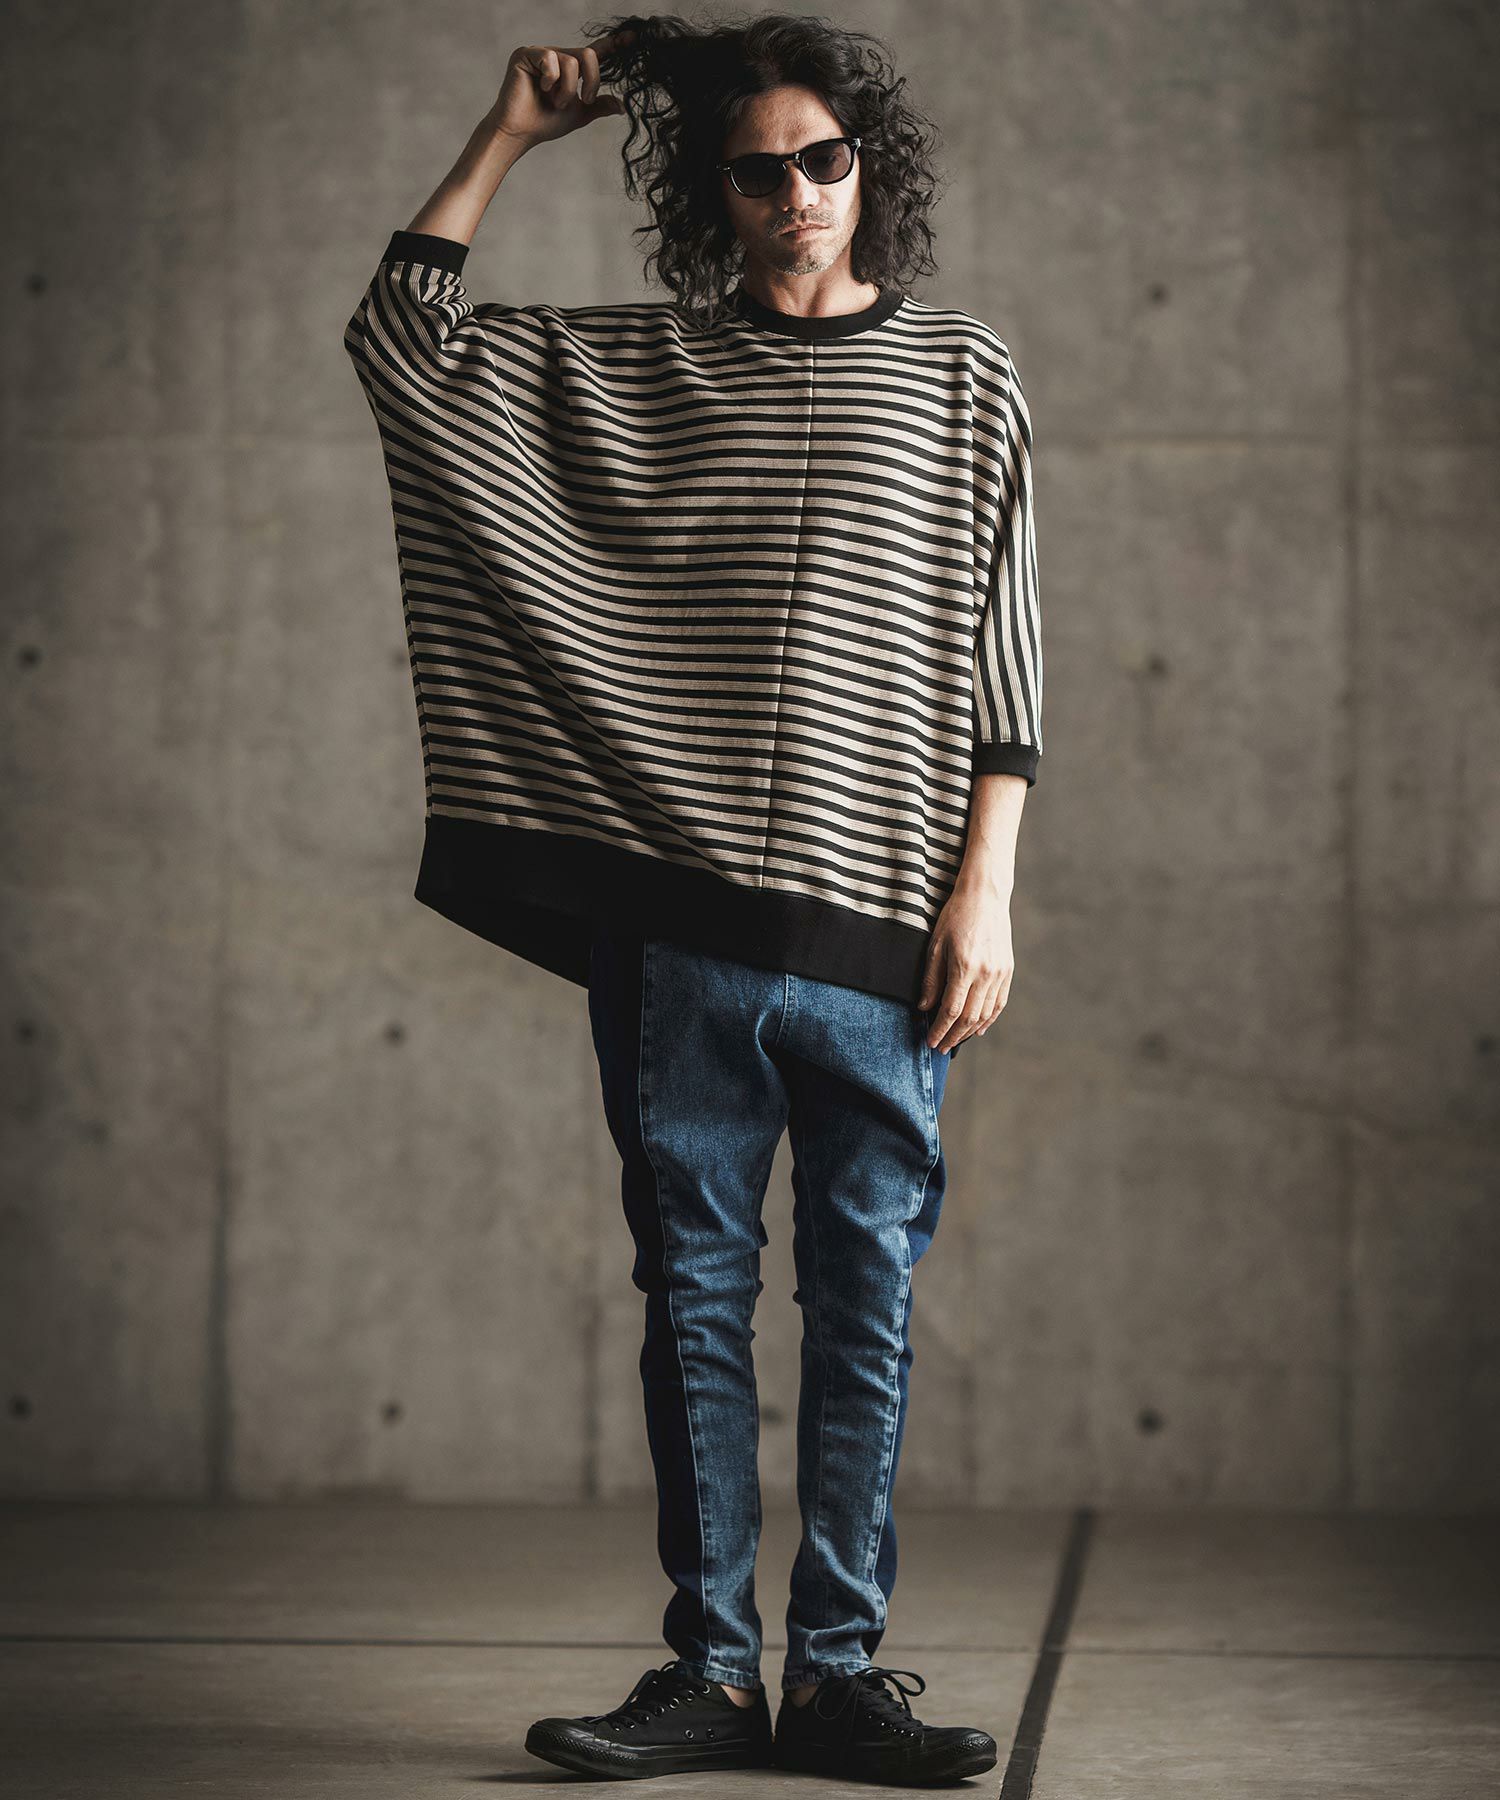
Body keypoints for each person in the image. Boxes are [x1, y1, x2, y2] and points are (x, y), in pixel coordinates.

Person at [344, 11, 1042, 1785]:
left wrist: (987, 897)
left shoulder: (965, 376)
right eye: (757, 169)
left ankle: (842, 1676)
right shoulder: (640, 365)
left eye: (825, 158)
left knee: (867, 1302)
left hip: (889, 936)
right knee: (698, 1302)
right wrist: (507, 137)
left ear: (868, 168)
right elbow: (404, 347)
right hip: (682, 929)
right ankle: (714, 1674)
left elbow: (1004, 667)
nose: (797, 192)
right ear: (709, 194)